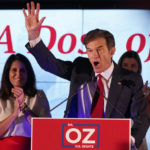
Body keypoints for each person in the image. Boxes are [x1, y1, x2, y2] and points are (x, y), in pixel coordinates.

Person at [23, 2, 150, 149]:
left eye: (99, 49)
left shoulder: (130, 79)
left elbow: (141, 117)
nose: (94, 55)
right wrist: (34, 37)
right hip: (76, 142)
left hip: (113, 144)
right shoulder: (81, 68)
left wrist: (131, 139)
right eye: (89, 50)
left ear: (112, 51)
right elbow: (51, 65)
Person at [0, 53, 51, 150]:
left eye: (22, 70)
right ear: (7, 73)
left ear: (28, 74)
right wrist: (14, 114)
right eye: (14, 70)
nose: (18, 74)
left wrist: (25, 108)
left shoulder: (38, 96)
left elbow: (45, 131)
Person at [118, 50, 150, 150]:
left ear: (138, 68)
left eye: (133, 66)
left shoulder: (146, 92)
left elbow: (145, 119)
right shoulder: (111, 86)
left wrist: (143, 97)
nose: (129, 69)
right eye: (125, 65)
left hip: (137, 138)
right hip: (114, 133)